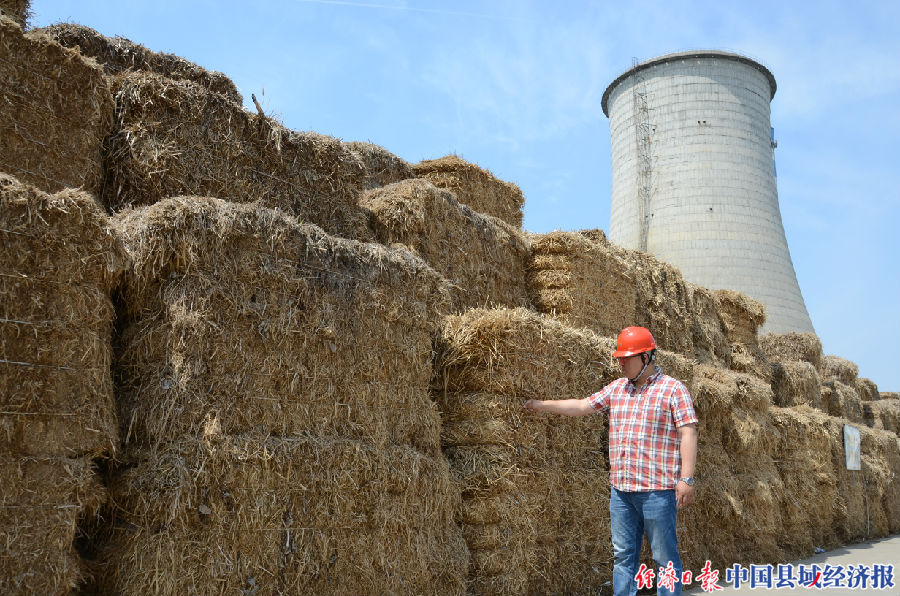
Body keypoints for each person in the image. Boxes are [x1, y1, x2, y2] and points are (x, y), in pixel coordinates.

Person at [523, 326, 698, 596]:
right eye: (620, 358)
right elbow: (582, 406)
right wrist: (543, 405)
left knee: (664, 559)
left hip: (657, 492)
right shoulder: (617, 389)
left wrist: (686, 479)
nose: (621, 363)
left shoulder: (673, 390)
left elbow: (688, 432)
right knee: (623, 558)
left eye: (627, 358)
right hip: (621, 493)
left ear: (647, 357)